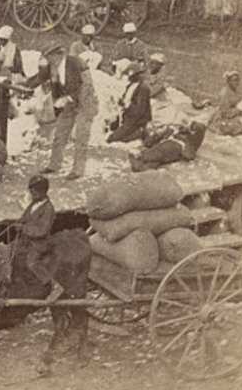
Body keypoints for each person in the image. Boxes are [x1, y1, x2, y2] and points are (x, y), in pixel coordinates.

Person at [29, 46, 97, 179]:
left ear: (58, 55)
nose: (48, 60)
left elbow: (85, 87)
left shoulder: (77, 63)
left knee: (81, 136)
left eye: (50, 57)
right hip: (69, 103)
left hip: (85, 103)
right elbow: (39, 78)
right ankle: (54, 165)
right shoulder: (52, 66)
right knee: (60, 134)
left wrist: (67, 98)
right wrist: (23, 85)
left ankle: (78, 170)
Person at [14, 175, 66, 302]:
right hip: (27, 240)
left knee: (32, 263)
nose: (32, 194)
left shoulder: (48, 209)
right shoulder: (33, 204)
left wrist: (23, 229)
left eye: (34, 192)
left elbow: (41, 231)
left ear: (43, 192)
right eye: (31, 191)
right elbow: (25, 218)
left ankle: (54, 286)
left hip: (40, 244)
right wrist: (15, 222)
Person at [131, 121, 207, 172]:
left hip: (178, 146)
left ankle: (141, 156)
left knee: (162, 150)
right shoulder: (186, 131)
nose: (190, 129)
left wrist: (178, 134)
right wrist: (175, 130)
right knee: (159, 153)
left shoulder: (196, 137)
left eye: (192, 129)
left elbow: (189, 151)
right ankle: (145, 167)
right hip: (172, 143)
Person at [108, 67, 152, 143]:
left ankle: (140, 132)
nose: (130, 77)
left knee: (113, 139)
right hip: (127, 115)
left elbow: (140, 109)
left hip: (136, 119)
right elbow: (126, 99)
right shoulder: (130, 85)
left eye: (133, 75)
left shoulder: (143, 88)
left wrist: (127, 106)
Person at [209, 70, 242, 136]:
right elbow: (225, 113)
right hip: (222, 118)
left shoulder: (234, 92)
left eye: (238, 80)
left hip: (232, 116)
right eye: (234, 80)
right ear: (229, 81)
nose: (237, 82)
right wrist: (239, 110)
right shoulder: (225, 93)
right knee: (240, 130)